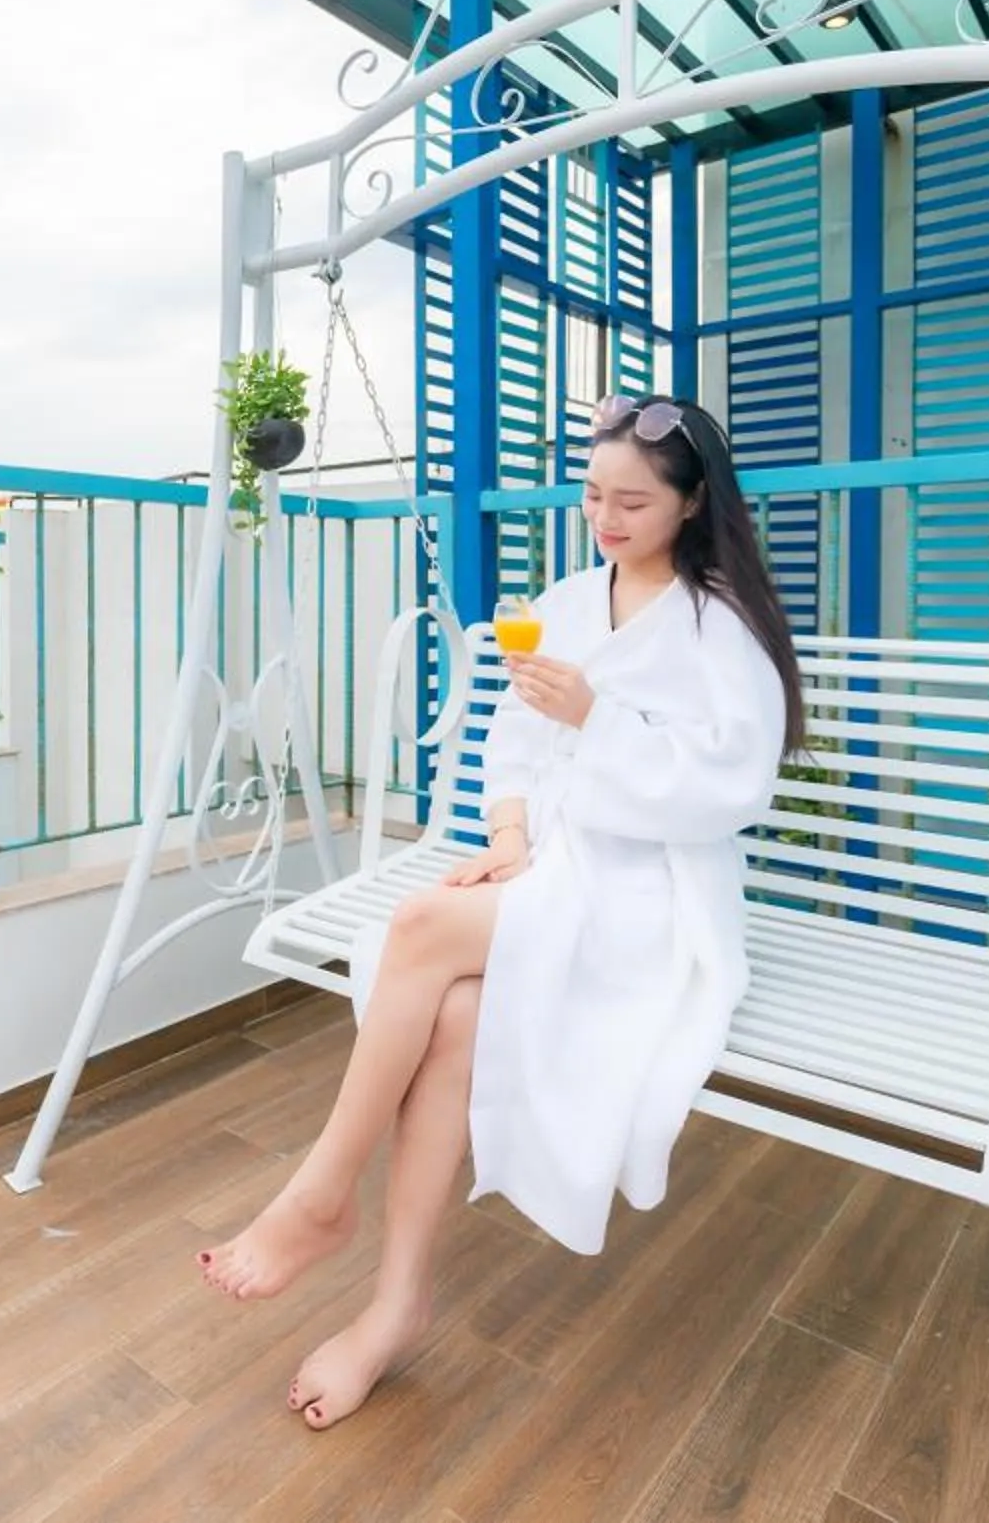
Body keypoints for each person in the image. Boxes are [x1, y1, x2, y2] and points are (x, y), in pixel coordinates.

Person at [197, 393, 807, 1430]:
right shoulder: (569, 600)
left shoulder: (721, 629)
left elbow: (733, 785)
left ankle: (322, 1191)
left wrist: (600, 719)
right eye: (592, 496)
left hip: (649, 892)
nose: (605, 520)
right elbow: (513, 745)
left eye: (632, 502)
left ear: (693, 504)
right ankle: (397, 1304)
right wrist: (512, 843)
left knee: (419, 927)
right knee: (457, 1020)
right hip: (556, 866)